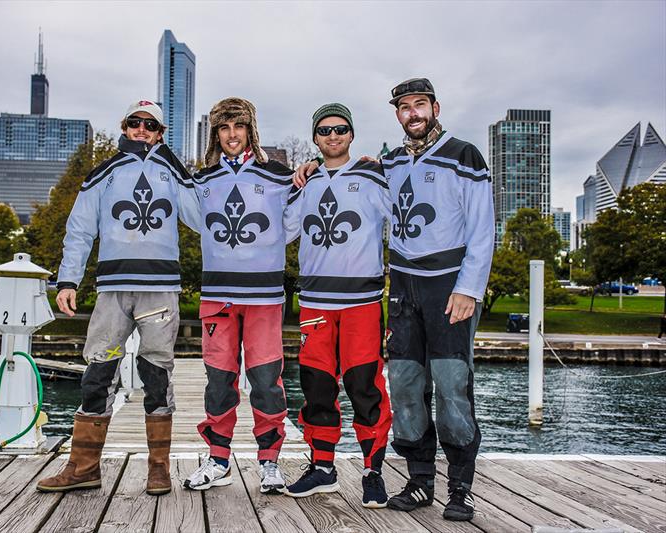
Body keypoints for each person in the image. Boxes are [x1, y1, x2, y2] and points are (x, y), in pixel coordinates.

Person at [37, 100, 200, 496]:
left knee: (156, 374)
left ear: (161, 132)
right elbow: (79, 229)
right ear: (124, 127)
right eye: (134, 122)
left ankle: (158, 468)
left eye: (151, 125)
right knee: (98, 371)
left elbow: (198, 218)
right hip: (112, 288)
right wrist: (68, 280)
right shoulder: (103, 173)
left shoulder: (172, 171)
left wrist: (177, 166)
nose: (142, 129)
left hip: (160, 288)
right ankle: (83, 466)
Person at [382, 78, 493, 521]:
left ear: (435, 107)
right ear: (397, 114)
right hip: (404, 287)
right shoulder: (388, 161)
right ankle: (421, 480)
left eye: (420, 104)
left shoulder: (463, 155)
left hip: (449, 287)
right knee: (406, 386)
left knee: (452, 388)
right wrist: (311, 167)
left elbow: (482, 228)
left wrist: (469, 287)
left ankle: (461, 488)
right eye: (404, 107)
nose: (413, 113)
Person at [282, 103, 392, 508]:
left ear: (351, 134)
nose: (333, 136)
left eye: (341, 129)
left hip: (362, 300)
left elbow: (402, 217)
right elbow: (285, 230)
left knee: (365, 386)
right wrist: (296, 181)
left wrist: (389, 165)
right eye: (325, 130)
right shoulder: (304, 182)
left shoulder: (371, 178)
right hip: (314, 301)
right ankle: (323, 467)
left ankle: (373, 470)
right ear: (315, 137)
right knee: (317, 386)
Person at [182, 97, 293, 494]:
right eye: (224, 128)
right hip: (218, 296)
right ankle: (217, 459)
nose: (232, 135)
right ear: (216, 133)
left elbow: (293, 221)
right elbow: (197, 222)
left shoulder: (279, 175)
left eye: (238, 127)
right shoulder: (202, 180)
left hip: (264, 297)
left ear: (250, 130)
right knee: (219, 382)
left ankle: (270, 463)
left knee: (266, 381)